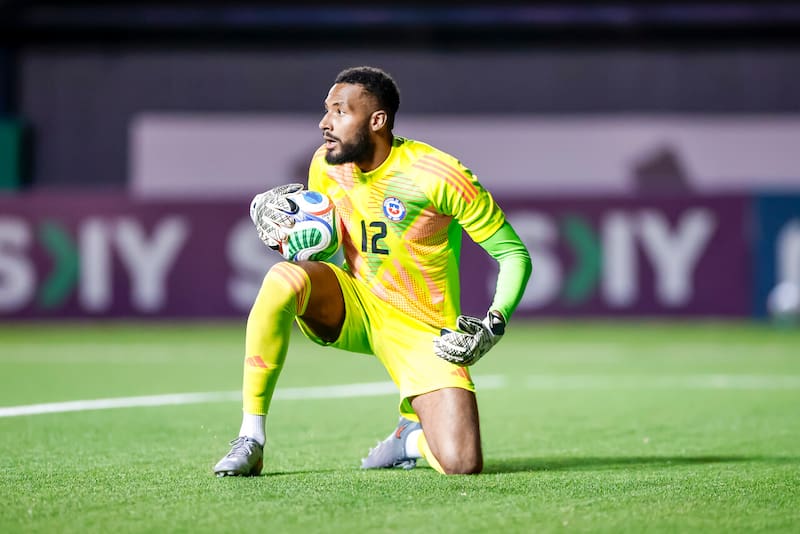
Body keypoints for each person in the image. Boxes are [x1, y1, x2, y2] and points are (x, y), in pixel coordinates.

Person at [213, 66, 532, 476]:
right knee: (283, 278)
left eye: (340, 112)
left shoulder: (437, 175)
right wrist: (296, 238)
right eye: (326, 111)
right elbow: (327, 251)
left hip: (423, 330)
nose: (325, 123)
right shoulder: (325, 165)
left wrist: (494, 323)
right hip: (359, 304)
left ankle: (409, 440)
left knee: (462, 463)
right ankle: (250, 438)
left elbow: (513, 254)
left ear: (376, 120)